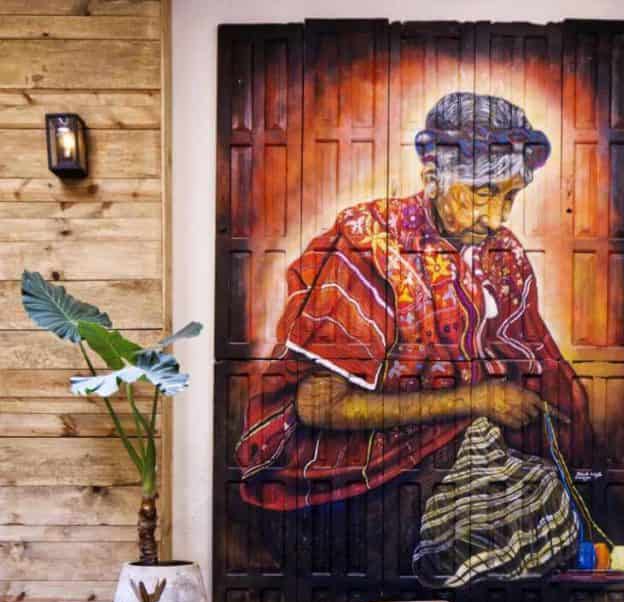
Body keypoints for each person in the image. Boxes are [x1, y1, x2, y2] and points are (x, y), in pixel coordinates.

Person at [237, 92, 590, 525]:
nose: (497, 218)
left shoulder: (504, 255)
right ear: (433, 176)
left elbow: (540, 365)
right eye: (481, 194)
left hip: (447, 454)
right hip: (345, 485)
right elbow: (318, 406)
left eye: (510, 197)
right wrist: (477, 399)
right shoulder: (367, 247)